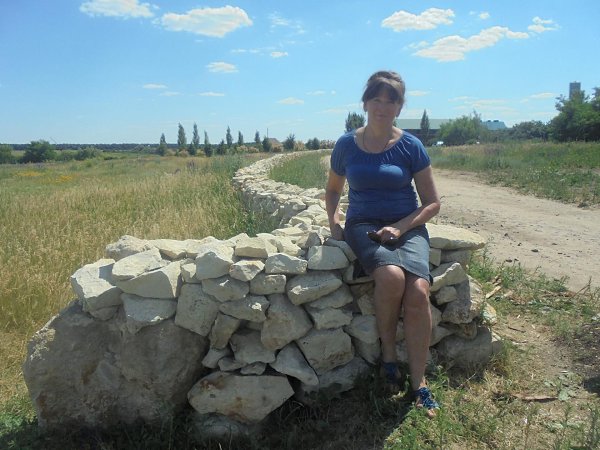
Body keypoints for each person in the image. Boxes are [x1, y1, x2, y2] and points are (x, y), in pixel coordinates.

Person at [325, 70, 441, 417]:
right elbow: (333, 190)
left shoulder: (411, 146)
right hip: (363, 225)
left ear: (400, 107)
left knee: (418, 291)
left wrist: (401, 227)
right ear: (365, 104)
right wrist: (334, 222)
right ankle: (389, 357)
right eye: (376, 99)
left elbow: (432, 203)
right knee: (390, 277)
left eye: (391, 101)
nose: (383, 106)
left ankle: (419, 382)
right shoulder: (346, 145)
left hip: (407, 226)